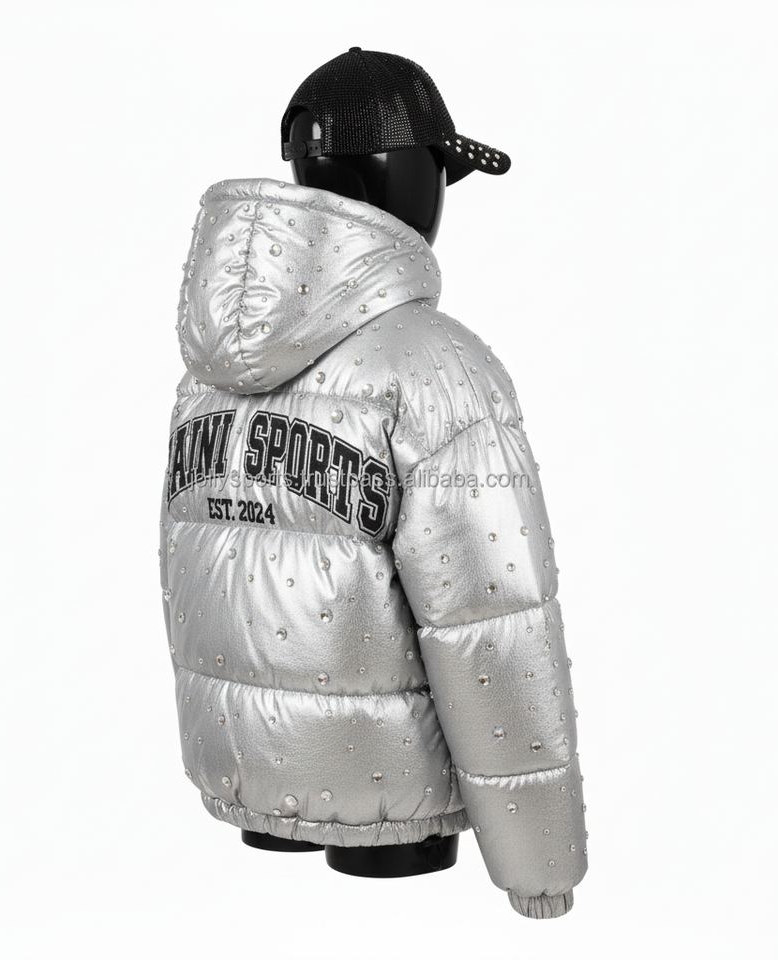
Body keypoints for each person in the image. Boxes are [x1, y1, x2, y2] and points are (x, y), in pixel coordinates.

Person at [160, 46, 588, 918]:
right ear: (400, 175)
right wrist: (541, 867)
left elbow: (197, 575)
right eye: (439, 172)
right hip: (395, 810)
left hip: (241, 775)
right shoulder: (437, 367)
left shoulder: (205, 370)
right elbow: (493, 623)